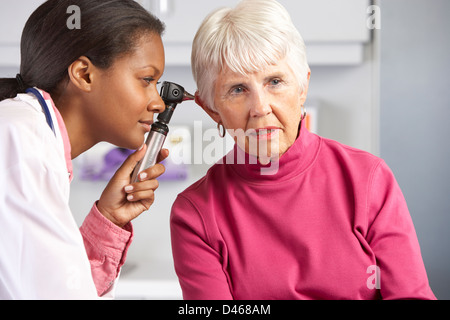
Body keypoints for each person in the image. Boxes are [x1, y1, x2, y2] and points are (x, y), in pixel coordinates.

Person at [170, 0, 436, 300]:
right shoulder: (195, 214)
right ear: (212, 111)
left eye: (275, 81)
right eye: (237, 89)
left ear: (302, 88)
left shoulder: (369, 179)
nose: (260, 108)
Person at [0, 0, 168, 299]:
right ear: (84, 74)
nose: (158, 103)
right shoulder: (20, 137)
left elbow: (48, 283)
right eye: (146, 80)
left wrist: (110, 219)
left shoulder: (30, 133)